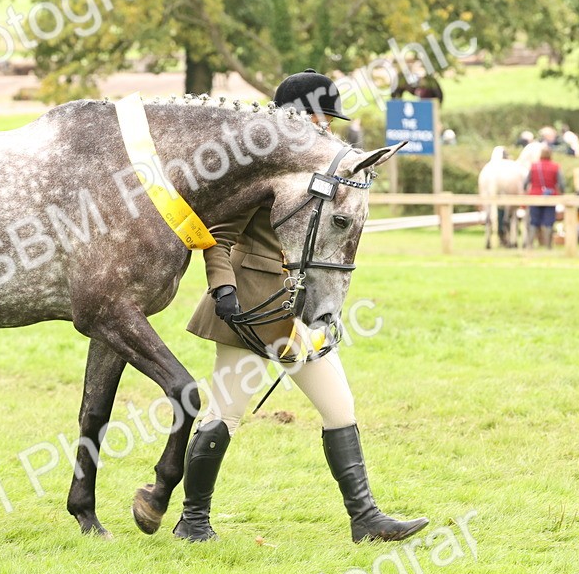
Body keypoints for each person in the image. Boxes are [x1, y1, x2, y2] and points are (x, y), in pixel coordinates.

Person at [174, 68, 428, 544]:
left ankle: (365, 518)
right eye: (321, 118)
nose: (327, 129)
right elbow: (219, 237)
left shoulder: (317, 166)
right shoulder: (254, 165)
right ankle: (192, 521)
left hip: (298, 308)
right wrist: (222, 289)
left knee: (339, 405)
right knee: (226, 413)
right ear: (300, 116)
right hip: (250, 304)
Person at [524, 146, 564, 249]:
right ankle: (548, 246)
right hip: (550, 196)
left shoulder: (534, 166)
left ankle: (530, 245)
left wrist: (526, 191)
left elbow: (526, 182)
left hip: (535, 196)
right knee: (549, 221)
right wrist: (562, 193)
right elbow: (561, 183)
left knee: (533, 221)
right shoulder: (555, 167)